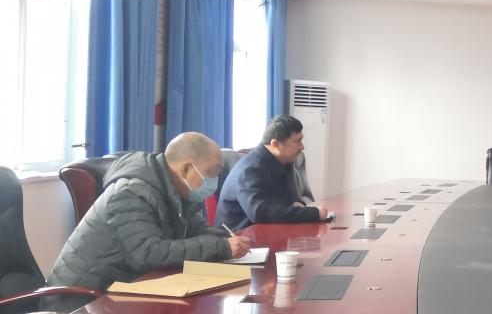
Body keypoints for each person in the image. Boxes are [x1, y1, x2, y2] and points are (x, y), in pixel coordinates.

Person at [48, 132, 250, 292]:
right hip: (81, 300)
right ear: (186, 169)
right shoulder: (130, 192)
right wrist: (221, 247)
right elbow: (147, 253)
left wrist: (227, 240)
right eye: (212, 173)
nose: (215, 181)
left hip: (125, 290)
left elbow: (198, 230)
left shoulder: (175, 190)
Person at [216, 115, 331, 231]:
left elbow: (294, 201)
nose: (302, 147)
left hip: (268, 231)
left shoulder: (285, 161)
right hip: (238, 236)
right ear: (276, 144)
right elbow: (259, 213)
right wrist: (313, 214)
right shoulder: (250, 169)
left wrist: (298, 205)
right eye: (297, 141)